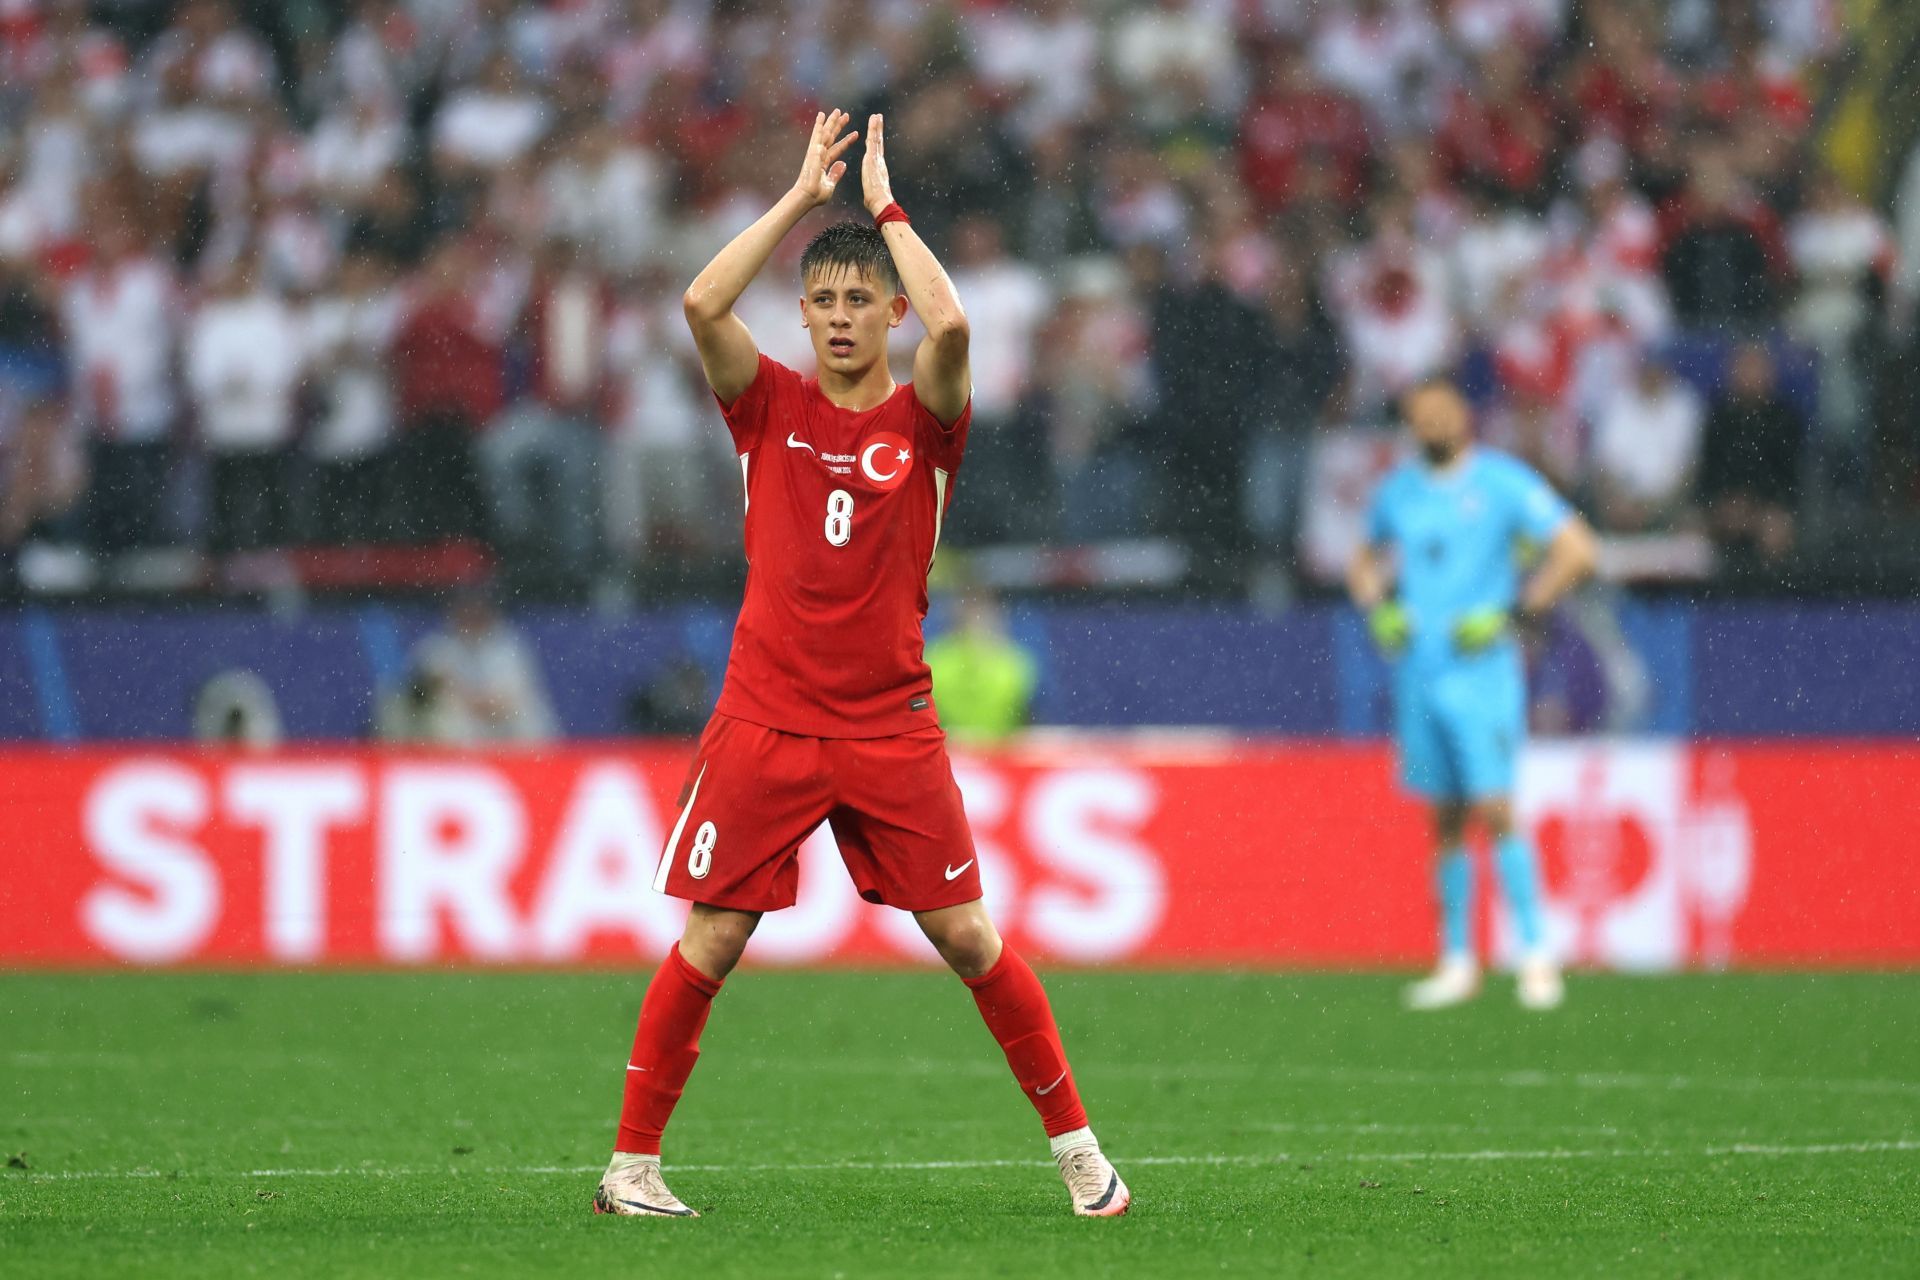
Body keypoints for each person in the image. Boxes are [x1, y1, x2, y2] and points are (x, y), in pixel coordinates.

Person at [594, 111, 1130, 1221]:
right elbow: (699, 303)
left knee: (970, 936)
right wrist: (798, 197)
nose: (840, 318)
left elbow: (957, 323)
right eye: (823, 301)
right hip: (768, 717)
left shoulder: (925, 417)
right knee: (713, 935)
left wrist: (885, 209)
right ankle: (632, 1167)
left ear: (887, 312)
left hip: (890, 724)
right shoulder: (767, 406)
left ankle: (1080, 1150)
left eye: (858, 301)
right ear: (804, 314)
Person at [1348, 376, 1597, 1011]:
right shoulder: (1398, 492)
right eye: (1419, 415)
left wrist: (1516, 613)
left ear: (1464, 417)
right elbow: (1363, 559)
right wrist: (1379, 608)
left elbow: (1576, 549)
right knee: (1446, 819)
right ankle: (1458, 960)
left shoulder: (1501, 483)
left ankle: (1536, 954)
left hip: (1482, 672)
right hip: (1420, 673)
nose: (1431, 424)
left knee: (1497, 805)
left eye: (1441, 412)